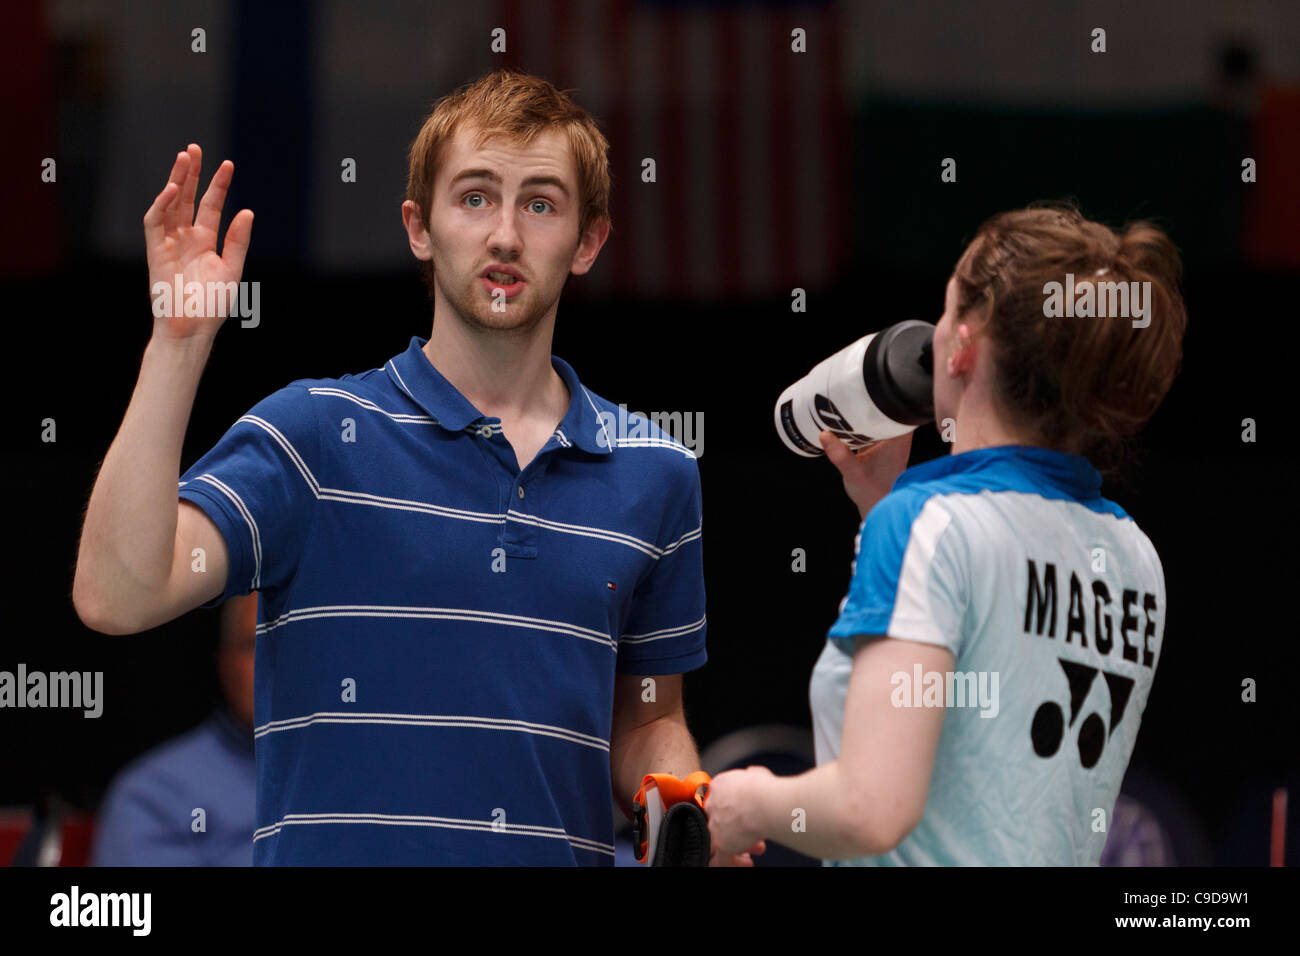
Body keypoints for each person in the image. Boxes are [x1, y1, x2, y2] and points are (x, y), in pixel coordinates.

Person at [73, 69, 761, 866]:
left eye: (540, 203)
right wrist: (177, 346)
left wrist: (681, 805)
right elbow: (116, 593)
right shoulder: (314, 436)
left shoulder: (657, 471)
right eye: (474, 197)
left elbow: (646, 718)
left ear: (590, 240)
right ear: (419, 227)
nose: (505, 234)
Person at [705, 202, 1187, 865]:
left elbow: (871, 810)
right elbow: (993, 750)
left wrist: (746, 802)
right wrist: (881, 510)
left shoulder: (931, 524)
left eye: (945, 309)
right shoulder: (1135, 554)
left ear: (963, 344)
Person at [91, 593, 257, 866]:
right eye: (254, 645)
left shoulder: (345, 772)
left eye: (293, 648)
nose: (274, 664)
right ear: (225, 665)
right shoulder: (154, 794)